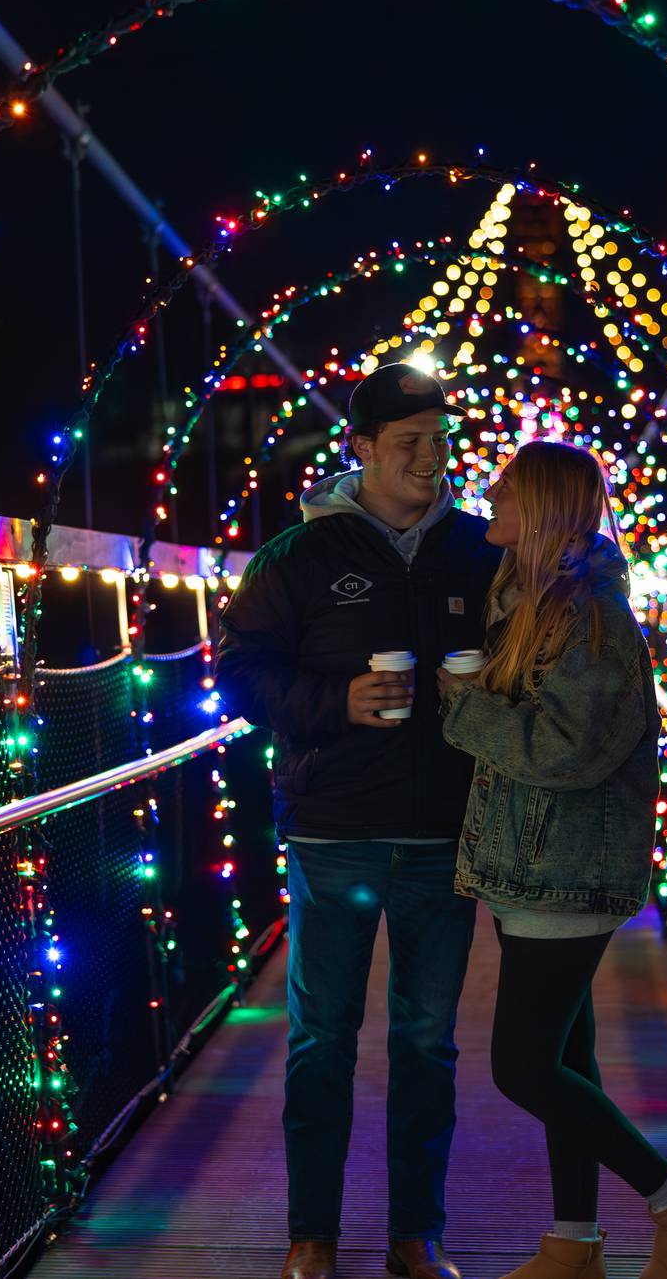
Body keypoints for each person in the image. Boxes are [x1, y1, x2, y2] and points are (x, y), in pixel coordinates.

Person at [216, 362, 504, 1279]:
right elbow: (238, 674)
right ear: (365, 448)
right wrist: (336, 698)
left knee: (427, 1040)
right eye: (411, 443)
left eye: (440, 442)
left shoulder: (479, 549)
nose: (431, 458)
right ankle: (313, 1237)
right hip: (334, 828)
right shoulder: (296, 558)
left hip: (443, 831)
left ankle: (417, 1236)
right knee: (322, 1038)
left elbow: (531, 658)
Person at [434, 441, 667, 1279]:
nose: (487, 494)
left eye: (505, 488)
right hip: (535, 861)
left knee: (523, 1066)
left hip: (563, 868)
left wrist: (460, 709)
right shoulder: (537, 600)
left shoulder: (593, 623)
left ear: (539, 509)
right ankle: (573, 1247)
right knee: (567, 1058)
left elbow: (567, 750)